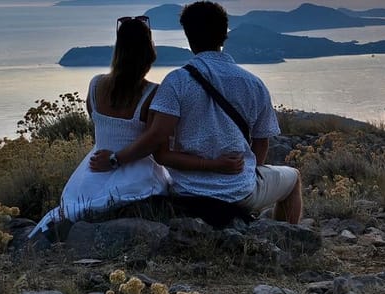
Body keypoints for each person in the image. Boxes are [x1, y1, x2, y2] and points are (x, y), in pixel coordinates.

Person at [89, 1, 302, 226]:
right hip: (240, 191)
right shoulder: (254, 84)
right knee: (293, 177)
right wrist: (238, 173)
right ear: (224, 35)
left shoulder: (175, 82)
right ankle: (286, 238)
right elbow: (261, 144)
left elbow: (161, 152)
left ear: (188, 38)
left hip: (186, 192)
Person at [29, 16, 241, 239]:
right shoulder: (153, 93)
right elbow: (153, 141)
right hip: (136, 176)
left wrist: (110, 156)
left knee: (76, 209)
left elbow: (96, 121)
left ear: (118, 50)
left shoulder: (95, 85)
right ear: (149, 53)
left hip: (92, 171)